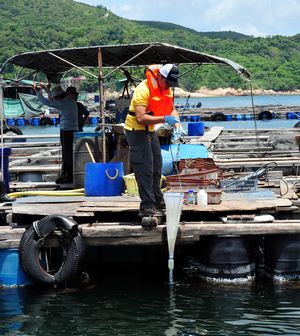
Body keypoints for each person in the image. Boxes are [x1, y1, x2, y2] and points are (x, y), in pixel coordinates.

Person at [124, 64, 184, 221]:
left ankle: (157, 199)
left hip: (150, 130)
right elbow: (140, 117)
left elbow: (171, 109)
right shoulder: (143, 90)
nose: (169, 86)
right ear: (160, 77)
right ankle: (147, 205)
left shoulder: (167, 89)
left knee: (157, 164)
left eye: (172, 84)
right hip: (136, 130)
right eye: (168, 82)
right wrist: (164, 119)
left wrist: (177, 125)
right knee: (145, 167)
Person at [33, 83, 78, 184]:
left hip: (67, 131)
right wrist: (45, 89)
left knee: (67, 154)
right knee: (68, 154)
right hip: (70, 130)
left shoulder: (64, 103)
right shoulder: (69, 101)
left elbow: (47, 102)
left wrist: (37, 92)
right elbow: (54, 99)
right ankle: (66, 174)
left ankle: (69, 176)